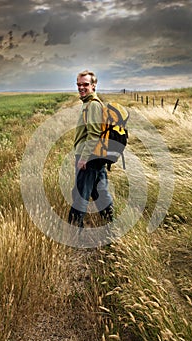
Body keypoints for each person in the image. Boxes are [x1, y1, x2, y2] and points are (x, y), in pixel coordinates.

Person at [68, 70, 113, 229]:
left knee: (80, 195)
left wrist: (84, 158)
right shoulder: (89, 103)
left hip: (89, 157)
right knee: (100, 192)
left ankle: (72, 232)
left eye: (85, 84)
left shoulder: (93, 105)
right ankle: (110, 223)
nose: (81, 87)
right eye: (79, 84)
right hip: (96, 156)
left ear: (93, 86)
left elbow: (94, 134)